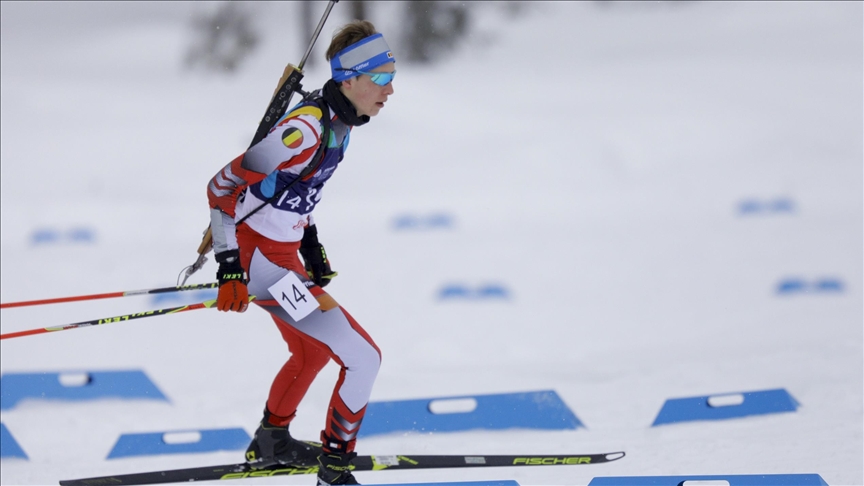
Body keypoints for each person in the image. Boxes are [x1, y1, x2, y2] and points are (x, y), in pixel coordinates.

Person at [205, 20, 396, 486]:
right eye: (383, 78)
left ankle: (272, 441)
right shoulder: (305, 130)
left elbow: (296, 192)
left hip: (282, 257)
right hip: (260, 263)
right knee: (363, 357)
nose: (391, 90)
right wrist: (229, 268)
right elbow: (222, 187)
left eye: (394, 76)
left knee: (311, 353)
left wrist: (311, 247)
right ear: (350, 79)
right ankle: (335, 470)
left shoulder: (342, 124)